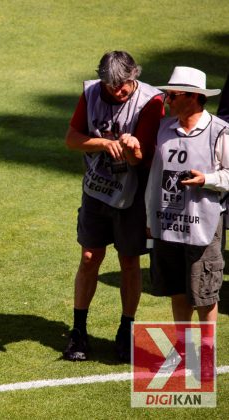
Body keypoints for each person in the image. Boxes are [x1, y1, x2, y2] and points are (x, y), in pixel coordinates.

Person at [64, 51, 164, 362]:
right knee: (89, 256)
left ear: (135, 76)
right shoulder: (92, 91)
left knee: (129, 261)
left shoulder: (152, 102)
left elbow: (144, 158)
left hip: (133, 196)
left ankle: (126, 329)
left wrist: (132, 149)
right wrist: (104, 144)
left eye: (123, 85)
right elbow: (72, 138)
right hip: (96, 190)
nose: (116, 91)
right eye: (111, 86)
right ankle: (78, 331)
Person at [146, 67, 229, 328]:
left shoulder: (219, 131)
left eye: (172, 95)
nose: (167, 101)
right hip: (168, 223)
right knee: (177, 290)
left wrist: (207, 179)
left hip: (203, 226)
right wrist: (150, 219)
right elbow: (154, 177)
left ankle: (203, 358)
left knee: (204, 294)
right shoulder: (163, 129)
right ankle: (184, 351)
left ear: (193, 97)